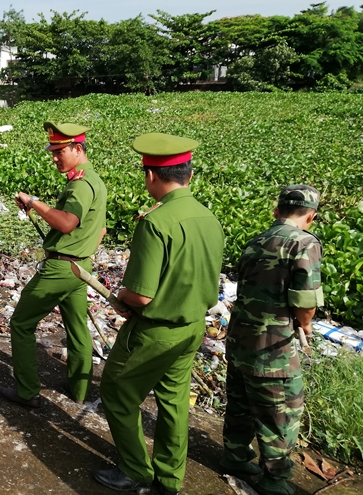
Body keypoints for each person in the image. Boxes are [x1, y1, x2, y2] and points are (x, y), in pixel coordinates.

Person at [95, 133, 224, 495]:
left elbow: (140, 295)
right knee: (173, 402)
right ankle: (169, 479)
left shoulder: (155, 223)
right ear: (190, 175)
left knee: (118, 393)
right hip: (193, 327)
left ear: (151, 175)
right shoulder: (208, 217)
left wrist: (120, 294)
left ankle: (136, 469)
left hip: (156, 331)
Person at [221, 185, 322, 495]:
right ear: (311, 217)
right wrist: (305, 325)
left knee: (239, 403)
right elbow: (305, 300)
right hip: (274, 348)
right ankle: (275, 480)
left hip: (240, 340)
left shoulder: (256, 241)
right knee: (281, 413)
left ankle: (235, 457)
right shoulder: (305, 243)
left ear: (276, 212)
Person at [0, 122, 107, 408]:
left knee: (21, 324)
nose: (55, 158)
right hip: (81, 268)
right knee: (77, 327)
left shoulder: (80, 185)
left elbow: (67, 223)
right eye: (53, 152)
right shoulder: (95, 180)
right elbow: (101, 230)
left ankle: (27, 390)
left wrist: (35, 202)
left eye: (60, 151)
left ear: (78, 148)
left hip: (60, 269)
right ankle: (79, 389)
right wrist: (82, 252)